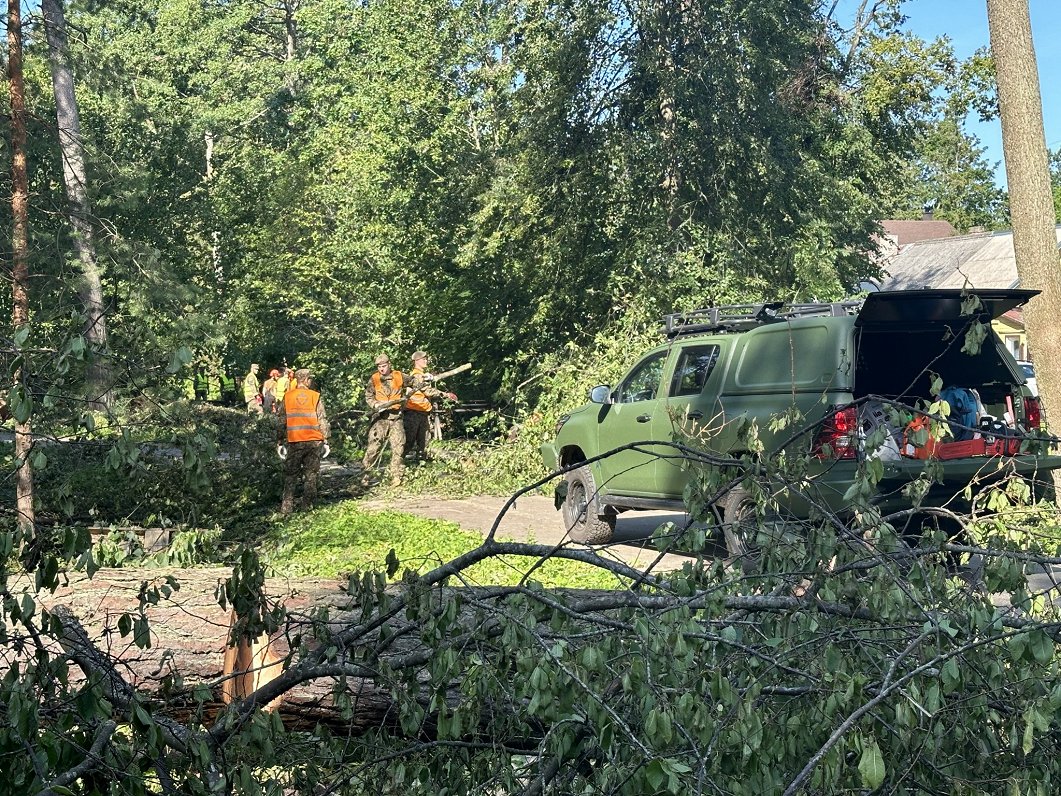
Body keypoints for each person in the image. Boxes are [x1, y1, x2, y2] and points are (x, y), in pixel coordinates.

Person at [277, 368, 330, 514]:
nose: (311, 381)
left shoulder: (288, 397)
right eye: (310, 379)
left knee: (290, 476)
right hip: (314, 441)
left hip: (295, 442)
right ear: (306, 380)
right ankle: (307, 507)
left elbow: (281, 421)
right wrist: (326, 440)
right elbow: (322, 419)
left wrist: (280, 441)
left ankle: (286, 508)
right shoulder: (315, 396)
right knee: (311, 475)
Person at [403, 351, 456, 463]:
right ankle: (398, 463)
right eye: (423, 359)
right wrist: (445, 394)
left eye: (426, 359)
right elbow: (427, 391)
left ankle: (421, 463)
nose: (426, 361)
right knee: (409, 440)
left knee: (424, 441)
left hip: (422, 412)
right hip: (413, 411)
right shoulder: (416, 375)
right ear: (417, 361)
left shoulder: (423, 375)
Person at [362, 354, 406, 486]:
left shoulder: (400, 376)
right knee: (373, 448)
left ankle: (396, 477)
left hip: (396, 417)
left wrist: (425, 379)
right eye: (379, 367)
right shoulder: (374, 379)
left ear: (389, 364)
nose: (381, 369)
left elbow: (416, 383)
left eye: (384, 366)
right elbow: (369, 395)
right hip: (380, 418)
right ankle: (365, 475)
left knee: (398, 448)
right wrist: (375, 405)